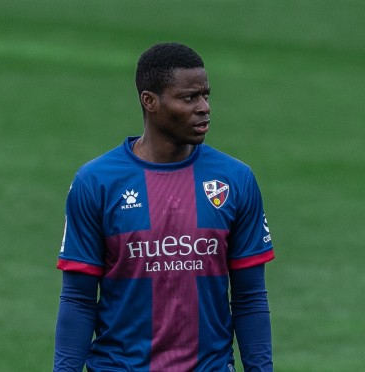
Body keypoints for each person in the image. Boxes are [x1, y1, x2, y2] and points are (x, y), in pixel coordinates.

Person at [54, 42, 275, 371]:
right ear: (150, 101)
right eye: (189, 98)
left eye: (206, 95)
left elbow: (249, 297)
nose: (204, 107)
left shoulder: (235, 180)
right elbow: (79, 299)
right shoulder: (96, 183)